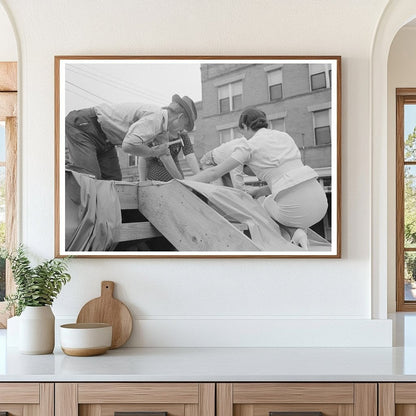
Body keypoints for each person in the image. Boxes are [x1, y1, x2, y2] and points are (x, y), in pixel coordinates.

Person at [187, 107, 328, 249]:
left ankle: (294, 233)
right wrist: (257, 191)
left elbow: (214, 173)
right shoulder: (284, 137)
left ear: (244, 126)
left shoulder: (248, 145)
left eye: (241, 131)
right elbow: (290, 180)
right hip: (321, 202)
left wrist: (185, 182)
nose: (242, 136)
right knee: (273, 199)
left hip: (295, 210)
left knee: (264, 205)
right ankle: (299, 234)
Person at [65, 94, 197, 181]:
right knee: (90, 180)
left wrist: (182, 183)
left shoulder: (162, 129)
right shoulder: (155, 118)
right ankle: (67, 171)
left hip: (107, 140)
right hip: (86, 127)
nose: (182, 130)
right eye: (184, 126)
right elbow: (129, 145)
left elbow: (166, 156)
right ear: (179, 117)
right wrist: (152, 152)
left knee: (113, 182)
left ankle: (106, 221)